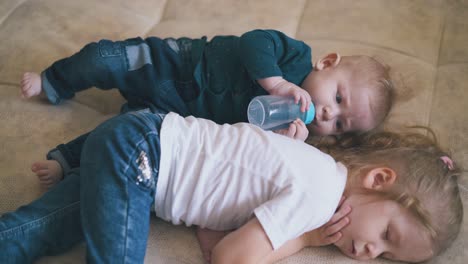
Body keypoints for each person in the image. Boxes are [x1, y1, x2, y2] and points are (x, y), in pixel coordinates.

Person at [0, 110, 462, 263]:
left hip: (137, 141)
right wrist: (304, 238)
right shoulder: (320, 198)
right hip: (142, 158)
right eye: (387, 236)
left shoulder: (316, 168)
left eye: (386, 258)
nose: (370, 253)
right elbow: (230, 259)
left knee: (42, 229)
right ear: (379, 180)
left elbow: (213, 239)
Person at [20, 29, 394, 140]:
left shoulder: (297, 130)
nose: (329, 113)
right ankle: (55, 80)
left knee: (126, 136)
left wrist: (284, 141)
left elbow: (243, 144)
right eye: (339, 97)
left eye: (341, 123)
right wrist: (276, 82)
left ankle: (68, 160)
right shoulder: (295, 56)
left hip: (179, 111)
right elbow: (253, 41)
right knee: (104, 58)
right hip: (177, 63)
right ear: (327, 63)